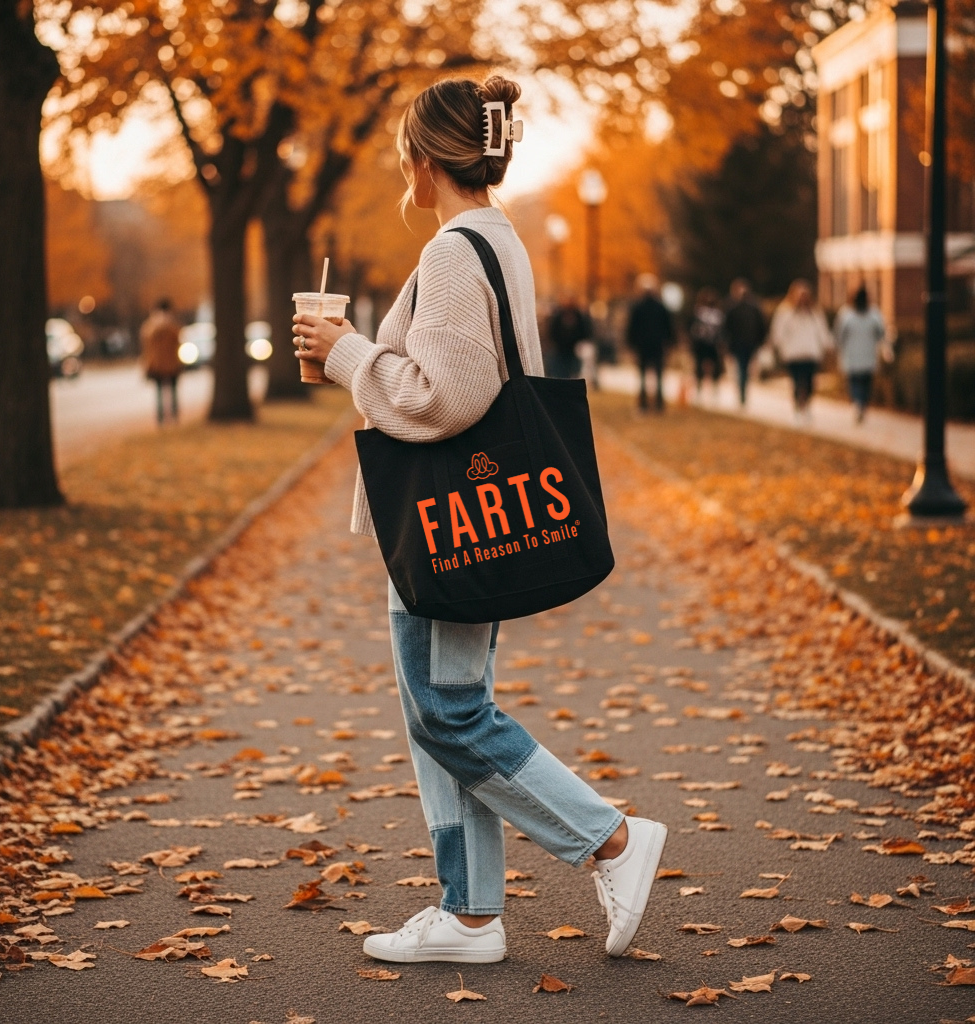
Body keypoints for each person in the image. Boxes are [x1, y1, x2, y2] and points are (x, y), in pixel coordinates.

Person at [291, 75, 667, 965]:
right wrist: (356, 361)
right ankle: (469, 915)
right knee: (443, 712)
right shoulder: (491, 238)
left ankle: (610, 838)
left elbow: (449, 396)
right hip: (461, 518)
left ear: (426, 159)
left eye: (402, 152)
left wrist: (346, 354)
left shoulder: (457, 250)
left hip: (450, 519)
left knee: (449, 713)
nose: (400, 167)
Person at [768, 279, 832, 422]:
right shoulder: (786, 311)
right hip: (793, 353)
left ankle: (807, 406)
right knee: (797, 382)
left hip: (810, 353)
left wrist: (827, 345)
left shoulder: (814, 312)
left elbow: (822, 331)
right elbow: (778, 332)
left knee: (809, 383)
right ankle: (798, 407)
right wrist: (777, 346)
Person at [834, 285, 885, 423]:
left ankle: (858, 404)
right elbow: (881, 333)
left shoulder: (846, 315)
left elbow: (839, 335)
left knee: (854, 382)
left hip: (852, 356)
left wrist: (839, 348)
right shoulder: (874, 315)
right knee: (866, 383)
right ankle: (862, 405)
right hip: (868, 356)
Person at [625, 274, 674, 411]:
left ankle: (644, 404)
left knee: (642, 376)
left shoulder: (637, 307)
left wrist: (631, 345)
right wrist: (669, 344)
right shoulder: (661, 307)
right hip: (657, 345)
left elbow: (631, 329)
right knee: (658, 375)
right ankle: (658, 404)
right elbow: (668, 328)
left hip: (642, 345)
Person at [722, 278, 768, 407]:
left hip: (747, 343)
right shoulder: (738, 308)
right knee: (743, 368)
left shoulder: (747, 308)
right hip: (742, 344)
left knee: (743, 369)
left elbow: (760, 326)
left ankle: (742, 391)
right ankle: (742, 392)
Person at [139, 299, 182, 424]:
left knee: (165, 393)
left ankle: (167, 418)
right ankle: (168, 418)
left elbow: (146, 344)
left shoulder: (151, 326)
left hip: (161, 364)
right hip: (166, 364)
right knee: (165, 393)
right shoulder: (168, 326)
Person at [687, 287, 725, 398]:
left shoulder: (699, 312)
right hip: (710, 344)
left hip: (703, 344)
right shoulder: (717, 315)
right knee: (711, 367)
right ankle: (711, 390)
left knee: (701, 366)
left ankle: (703, 390)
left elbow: (692, 329)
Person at [546, 295, 592, 379]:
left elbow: (585, 331)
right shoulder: (559, 316)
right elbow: (552, 331)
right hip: (560, 350)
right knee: (560, 374)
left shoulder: (579, 316)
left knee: (573, 374)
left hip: (574, 350)